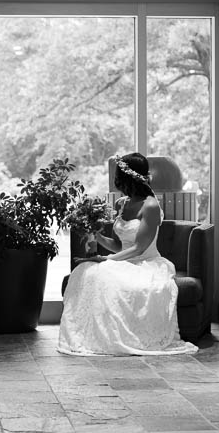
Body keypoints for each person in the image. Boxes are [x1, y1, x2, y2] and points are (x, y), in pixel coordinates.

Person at [58, 152, 198, 356]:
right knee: (84, 271)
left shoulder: (150, 205)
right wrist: (95, 235)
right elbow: (118, 245)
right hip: (123, 260)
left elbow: (139, 248)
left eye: (118, 175)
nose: (116, 180)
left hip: (146, 263)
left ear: (129, 177)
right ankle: (90, 335)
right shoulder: (121, 203)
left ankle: (120, 338)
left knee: (101, 271)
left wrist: (104, 260)